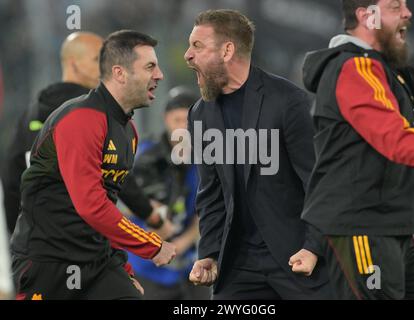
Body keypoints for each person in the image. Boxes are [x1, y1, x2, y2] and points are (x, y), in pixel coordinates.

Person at [297, 0, 414, 299]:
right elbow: (398, 140)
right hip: (362, 226)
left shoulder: (381, 70)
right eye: (395, 6)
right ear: (367, 16)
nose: (408, 13)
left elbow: (381, 151)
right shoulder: (355, 67)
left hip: (391, 226)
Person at [10, 30, 176, 300]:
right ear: (120, 73)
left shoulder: (129, 131)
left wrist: (123, 269)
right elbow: (92, 206)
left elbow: (108, 206)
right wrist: (151, 245)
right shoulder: (82, 119)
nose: (159, 75)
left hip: (98, 264)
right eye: (150, 67)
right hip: (48, 264)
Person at [184, 9, 331, 299]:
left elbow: (318, 183)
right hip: (238, 265)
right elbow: (211, 193)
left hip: (296, 258)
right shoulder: (200, 114)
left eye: (197, 46)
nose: (188, 55)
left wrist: (314, 247)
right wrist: (210, 253)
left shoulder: (288, 101)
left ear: (227, 50)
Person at [1, 32, 103, 234]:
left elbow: (12, 178)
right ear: (74, 64)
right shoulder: (96, 111)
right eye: (98, 59)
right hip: (84, 240)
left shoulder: (31, 112)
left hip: (36, 241)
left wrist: (17, 237)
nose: (105, 67)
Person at [125, 86, 210, 300]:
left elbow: (208, 209)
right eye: (177, 120)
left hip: (189, 266)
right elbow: (123, 206)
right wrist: (154, 225)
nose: (182, 128)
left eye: (188, 122)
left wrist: (183, 242)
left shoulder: (205, 161)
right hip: (147, 266)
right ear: (165, 119)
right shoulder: (144, 157)